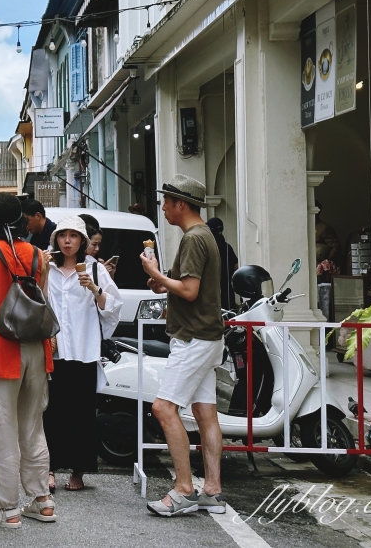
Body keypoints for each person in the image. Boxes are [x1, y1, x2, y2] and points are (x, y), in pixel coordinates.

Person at [0, 193, 55, 527]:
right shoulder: (36, 254)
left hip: (1, 349)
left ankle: (7, 509)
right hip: (35, 347)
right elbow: (38, 300)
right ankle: (41, 500)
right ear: (20, 220)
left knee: (4, 428)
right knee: (33, 426)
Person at [140, 175, 225, 516]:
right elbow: (189, 287)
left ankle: (183, 489)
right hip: (207, 336)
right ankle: (213, 491)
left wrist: (156, 274)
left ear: (181, 204)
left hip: (193, 338)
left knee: (163, 408)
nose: (163, 207)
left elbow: (189, 291)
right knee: (205, 413)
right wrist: (162, 283)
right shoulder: (204, 236)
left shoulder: (193, 239)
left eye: (166, 201)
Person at [43, 215, 122, 492]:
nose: (67, 241)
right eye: (63, 236)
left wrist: (94, 287)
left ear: (82, 241)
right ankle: (49, 469)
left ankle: (78, 471)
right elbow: (37, 301)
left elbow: (112, 307)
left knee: (82, 413)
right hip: (55, 350)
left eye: (73, 236)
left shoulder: (95, 269)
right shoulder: (47, 268)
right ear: (56, 240)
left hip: (84, 350)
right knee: (51, 412)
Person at [206, 217, 239, 311]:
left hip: (212, 290)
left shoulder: (208, 248)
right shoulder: (227, 247)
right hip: (228, 290)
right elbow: (236, 266)